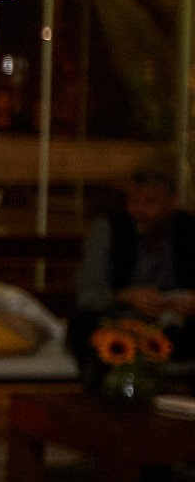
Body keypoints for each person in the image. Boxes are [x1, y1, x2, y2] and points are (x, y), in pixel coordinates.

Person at [69, 165, 195, 388]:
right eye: (134, 202)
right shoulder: (109, 230)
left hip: (176, 328)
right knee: (87, 329)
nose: (138, 210)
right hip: (119, 325)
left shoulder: (188, 230)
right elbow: (87, 296)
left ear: (173, 202)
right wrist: (126, 297)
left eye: (150, 202)